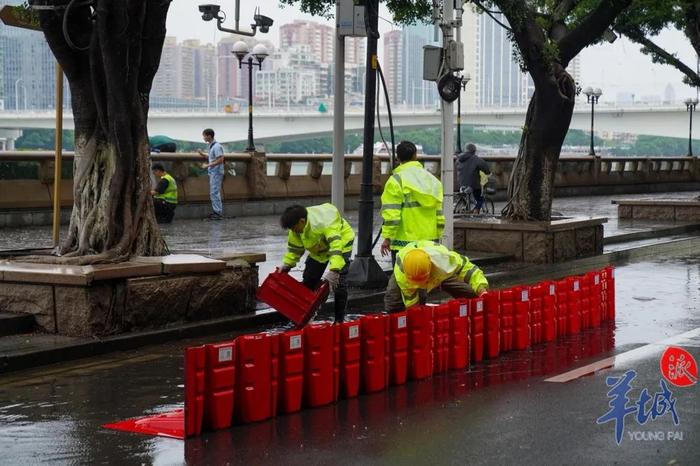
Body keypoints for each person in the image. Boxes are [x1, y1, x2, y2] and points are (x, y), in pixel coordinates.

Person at [279, 204, 355, 323]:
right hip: (319, 249)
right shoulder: (295, 228)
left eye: (294, 228)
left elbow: (336, 247)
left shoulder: (324, 223)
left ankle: (339, 321)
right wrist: (287, 264)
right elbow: (295, 249)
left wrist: (335, 270)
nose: (293, 232)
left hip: (341, 243)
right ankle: (303, 317)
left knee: (339, 282)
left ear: (302, 221)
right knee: (309, 278)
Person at [380, 140, 445, 265]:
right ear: (415, 155)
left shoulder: (396, 181)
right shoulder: (433, 180)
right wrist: (438, 234)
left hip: (403, 245)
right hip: (429, 242)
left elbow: (392, 215)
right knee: (425, 279)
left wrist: (387, 237)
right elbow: (439, 213)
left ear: (398, 158)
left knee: (404, 281)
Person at [385, 240, 488, 312]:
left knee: (471, 293)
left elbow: (469, 269)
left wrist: (481, 288)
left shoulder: (443, 260)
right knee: (393, 302)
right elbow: (411, 302)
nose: (421, 285)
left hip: (438, 273)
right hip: (410, 275)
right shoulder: (402, 274)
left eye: (422, 280)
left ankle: (478, 311)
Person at [197, 128, 225, 220]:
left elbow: (220, 159)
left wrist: (207, 165)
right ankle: (217, 212)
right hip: (214, 172)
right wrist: (202, 154)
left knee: (214, 192)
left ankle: (217, 212)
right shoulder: (212, 146)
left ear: (209, 136)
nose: (203, 138)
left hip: (216, 172)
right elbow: (212, 157)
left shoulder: (217, 146)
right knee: (214, 192)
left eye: (204, 136)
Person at [457, 143, 491, 214]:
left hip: (461, 183)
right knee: (480, 199)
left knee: (466, 196)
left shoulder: (459, 159)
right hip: (473, 184)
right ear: (474, 151)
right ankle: (476, 210)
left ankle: (465, 208)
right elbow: (486, 169)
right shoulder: (476, 159)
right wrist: (487, 172)